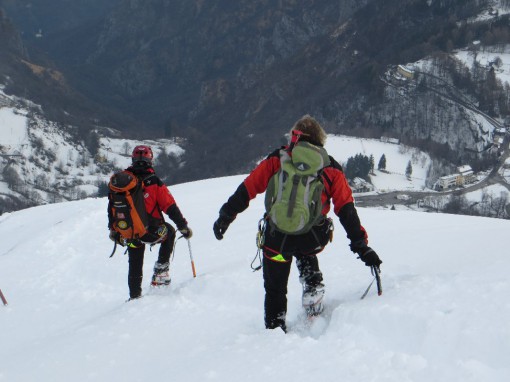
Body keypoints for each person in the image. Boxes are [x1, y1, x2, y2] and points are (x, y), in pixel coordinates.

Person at [213, 115, 382, 332]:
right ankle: (312, 293)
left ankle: (274, 328)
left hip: (277, 242)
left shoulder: (278, 159)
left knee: (275, 288)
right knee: (306, 245)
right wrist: (362, 247)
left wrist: (225, 216)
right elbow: (346, 210)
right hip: (312, 240)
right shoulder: (330, 167)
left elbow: (248, 188)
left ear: (295, 138)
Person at [108, 145, 192, 301]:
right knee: (170, 231)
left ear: (133, 160)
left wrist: (114, 230)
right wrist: (183, 227)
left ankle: (134, 296)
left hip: (130, 233)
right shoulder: (154, 182)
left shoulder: (121, 182)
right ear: (150, 160)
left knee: (134, 261)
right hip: (151, 233)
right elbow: (170, 207)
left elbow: (111, 207)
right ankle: (160, 273)